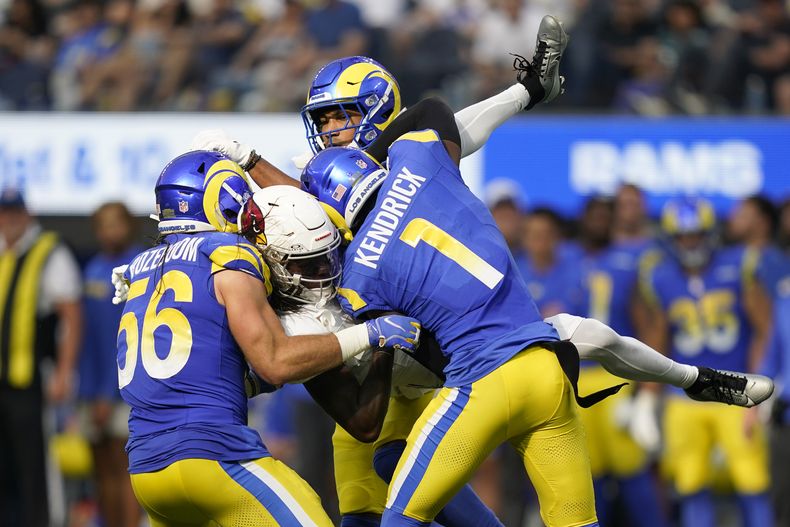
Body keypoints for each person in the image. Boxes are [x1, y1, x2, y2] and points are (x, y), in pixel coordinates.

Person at [117, 150, 420, 526]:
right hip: (212, 456)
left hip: (147, 472)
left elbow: (207, 370)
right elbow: (274, 363)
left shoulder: (141, 270)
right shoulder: (227, 254)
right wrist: (368, 334)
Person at [638, 197, 774, 527]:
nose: (691, 241)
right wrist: (647, 397)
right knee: (690, 484)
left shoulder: (739, 265)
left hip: (735, 390)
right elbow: (658, 340)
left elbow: (765, 329)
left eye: (696, 234)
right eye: (684, 236)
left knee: (751, 483)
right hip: (686, 395)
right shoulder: (660, 276)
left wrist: (764, 380)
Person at [0, 188, 82, 527]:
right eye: (4, 213)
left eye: (14, 213)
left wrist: (64, 371)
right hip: (2, 379)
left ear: (27, 214)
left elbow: (71, 314)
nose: (8, 220)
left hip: (32, 376)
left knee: (36, 465)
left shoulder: (49, 251)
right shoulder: (3, 252)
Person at [80, 202, 141, 527]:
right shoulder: (91, 270)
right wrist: (87, 391)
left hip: (123, 389)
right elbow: (87, 339)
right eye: (103, 224)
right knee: (100, 473)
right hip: (91, 391)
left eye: (116, 223)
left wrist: (109, 393)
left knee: (125, 473)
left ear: (129, 225)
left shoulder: (137, 269)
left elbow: (127, 338)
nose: (110, 231)